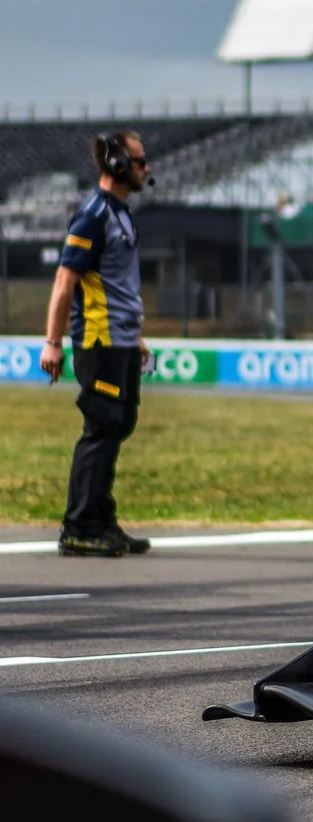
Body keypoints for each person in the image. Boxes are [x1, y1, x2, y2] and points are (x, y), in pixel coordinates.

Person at [43, 131, 152, 557]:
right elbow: (64, 281)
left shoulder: (120, 214)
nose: (147, 169)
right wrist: (53, 343)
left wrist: (135, 336)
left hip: (121, 341)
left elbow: (115, 286)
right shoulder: (92, 215)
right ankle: (79, 527)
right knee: (102, 426)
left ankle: (102, 521)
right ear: (120, 165)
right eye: (141, 162)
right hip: (99, 341)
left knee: (119, 425)